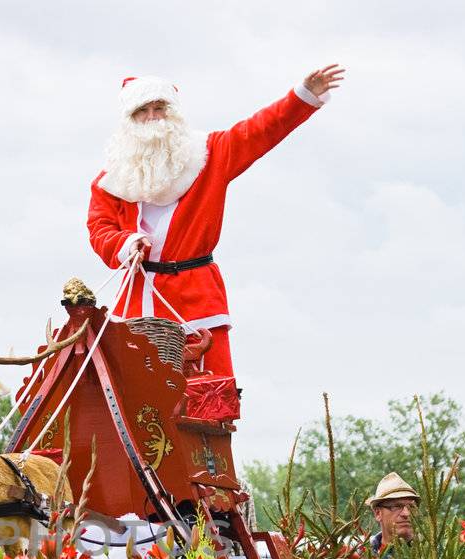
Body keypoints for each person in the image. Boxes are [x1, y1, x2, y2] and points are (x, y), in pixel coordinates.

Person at [86, 64, 345, 382]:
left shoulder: (208, 155)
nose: (153, 117)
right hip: (138, 300)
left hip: (196, 298)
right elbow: (100, 229)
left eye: (159, 108)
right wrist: (125, 243)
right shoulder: (112, 180)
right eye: (144, 111)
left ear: (173, 114)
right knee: (132, 398)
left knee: (209, 399)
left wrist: (302, 97)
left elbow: (258, 132)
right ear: (130, 120)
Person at [367, 472, 419, 553]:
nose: (406, 513)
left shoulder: (433, 555)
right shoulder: (362, 557)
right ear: (378, 513)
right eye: (397, 506)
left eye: (411, 507)